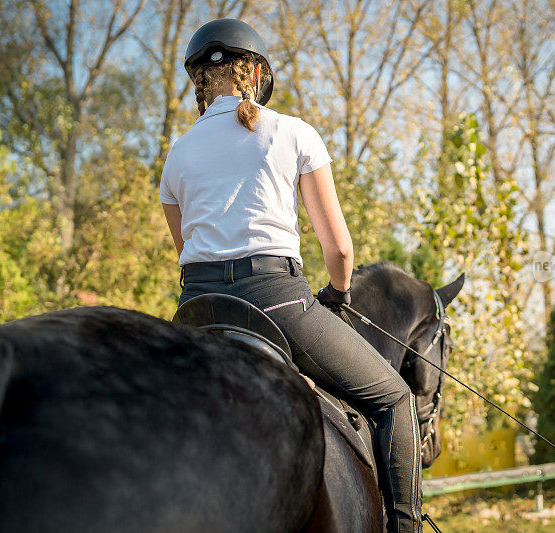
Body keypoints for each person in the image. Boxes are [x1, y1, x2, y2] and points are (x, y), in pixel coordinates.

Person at [158, 18, 422, 532]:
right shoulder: (293, 132)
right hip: (277, 301)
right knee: (395, 398)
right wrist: (338, 294)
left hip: (197, 313)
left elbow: (187, 252)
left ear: (200, 82)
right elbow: (340, 249)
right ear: (256, 71)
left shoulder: (177, 155)